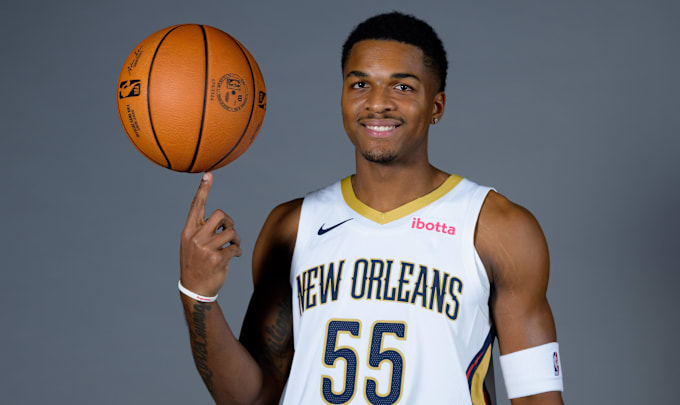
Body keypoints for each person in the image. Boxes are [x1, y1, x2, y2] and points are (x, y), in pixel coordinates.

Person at [178, 12, 564, 405]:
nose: (378, 103)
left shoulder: (496, 228)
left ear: (437, 105)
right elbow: (252, 398)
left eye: (402, 87)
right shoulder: (293, 226)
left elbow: (537, 399)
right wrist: (197, 295)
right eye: (360, 84)